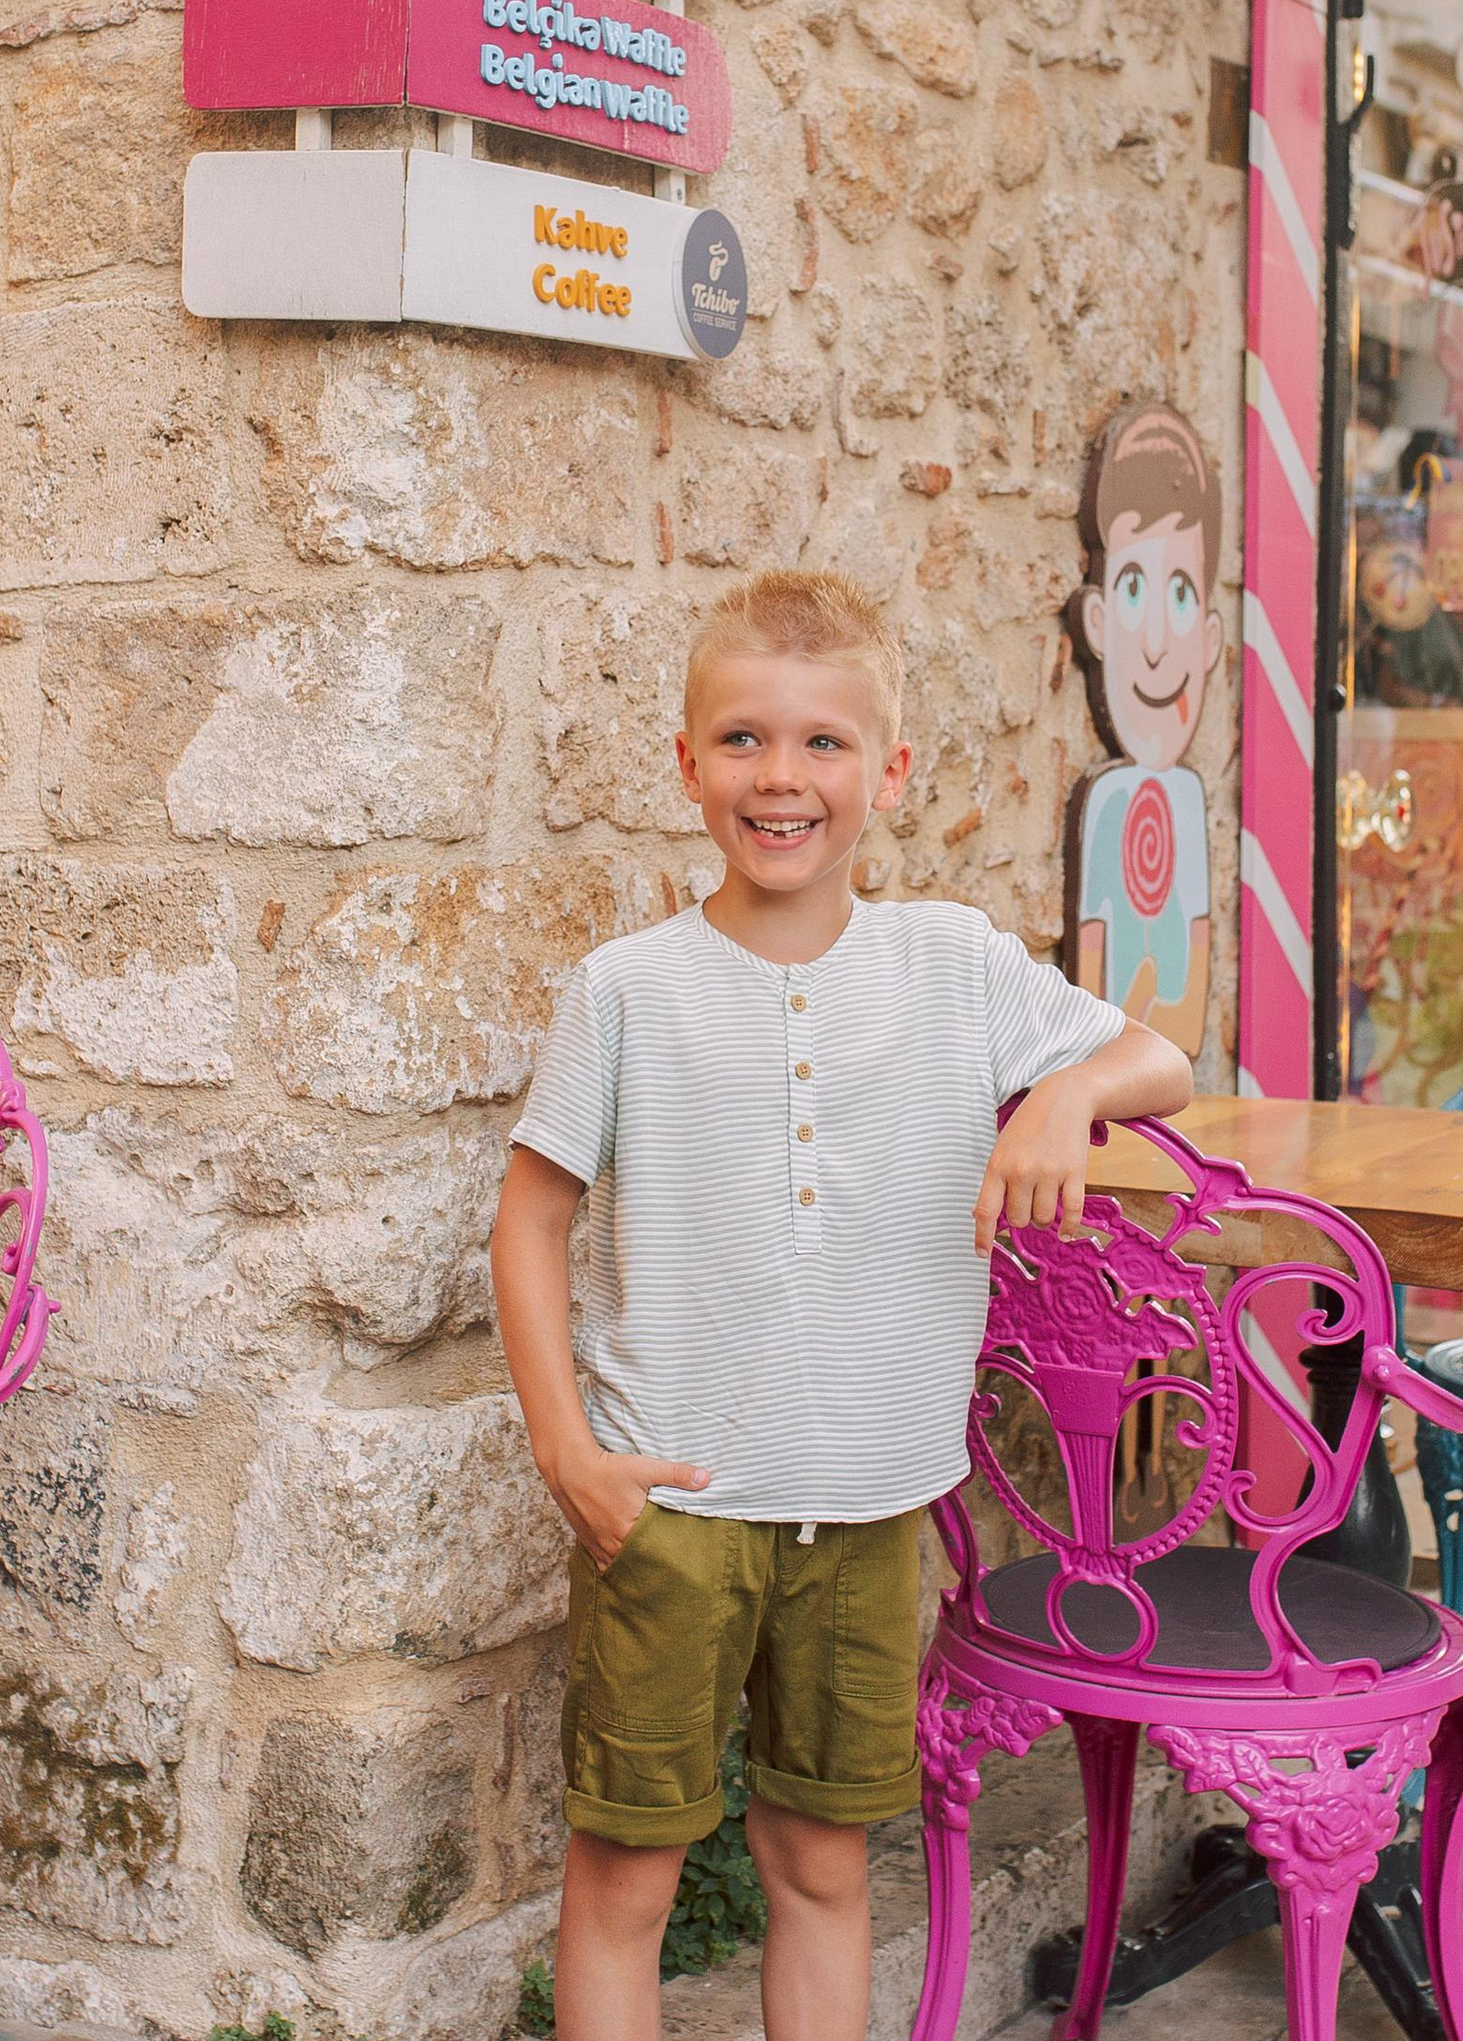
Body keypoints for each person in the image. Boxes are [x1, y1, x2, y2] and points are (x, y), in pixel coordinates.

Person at [491, 569, 1193, 2041]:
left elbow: (1161, 1059)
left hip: (872, 1510)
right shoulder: (628, 990)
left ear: (890, 770)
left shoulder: (955, 965)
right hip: (669, 1505)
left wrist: (1065, 1092)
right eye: (743, 740)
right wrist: (571, 1454)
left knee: (819, 1861)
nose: (782, 778)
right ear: (688, 767)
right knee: (626, 1875)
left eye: (822, 744)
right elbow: (530, 1221)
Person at [1070, 403, 1221, 1055]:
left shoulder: (1186, 800)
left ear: (1210, 637)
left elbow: (1188, 1015)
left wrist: (1153, 1015)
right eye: (1134, 589)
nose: (1157, 644)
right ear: (1097, 619)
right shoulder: (1107, 802)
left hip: (1160, 1072)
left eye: (1181, 595)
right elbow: (1089, 974)